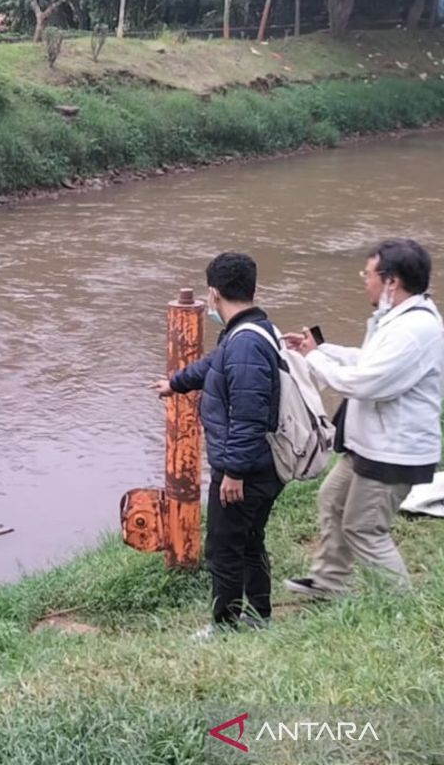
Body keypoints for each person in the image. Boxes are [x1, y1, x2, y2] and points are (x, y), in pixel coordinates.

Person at [283, 239, 444, 597]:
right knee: (332, 500)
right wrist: (323, 350)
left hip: (393, 450)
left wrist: (314, 360)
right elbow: (368, 361)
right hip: (369, 443)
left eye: (367, 274)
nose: (363, 281)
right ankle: (329, 582)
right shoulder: (397, 319)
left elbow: (366, 383)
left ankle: (400, 607)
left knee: (364, 527)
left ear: (391, 281)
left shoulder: (413, 330)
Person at [152, 253, 284, 637]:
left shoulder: (243, 344)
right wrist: (174, 384)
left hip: (246, 469)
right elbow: (214, 365)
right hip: (258, 465)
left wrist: (234, 473)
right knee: (248, 541)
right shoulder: (252, 329)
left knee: (224, 548)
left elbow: (247, 415)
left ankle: (225, 627)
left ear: (213, 294)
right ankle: (258, 617)